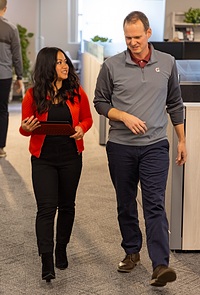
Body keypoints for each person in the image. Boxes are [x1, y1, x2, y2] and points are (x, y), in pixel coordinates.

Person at [94, 11, 187, 287]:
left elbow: (175, 103)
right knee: (125, 201)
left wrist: (182, 139)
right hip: (120, 147)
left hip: (155, 146)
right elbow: (99, 102)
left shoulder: (168, 63)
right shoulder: (111, 66)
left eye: (137, 36)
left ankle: (160, 265)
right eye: (127, 37)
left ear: (148, 33)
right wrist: (123, 116)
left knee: (154, 203)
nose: (132, 42)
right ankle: (131, 251)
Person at [19, 47, 93, 282]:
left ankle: (61, 248)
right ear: (47, 66)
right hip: (44, 159)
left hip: (71, 156)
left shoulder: (76, 92)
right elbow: (23, 127)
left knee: (67, 205)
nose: (65, 66)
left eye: (66, 62)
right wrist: (26, 129)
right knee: (46, 208)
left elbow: (87, 118)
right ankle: (47, 261)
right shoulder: (33, 95)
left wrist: (82, 128)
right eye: (59, 62)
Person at [0, 0, 23, 157]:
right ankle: (0, 147)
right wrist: (20, 76)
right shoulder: (11, 28)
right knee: (2, 110)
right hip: (4, 75)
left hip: (4, 74)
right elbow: (17, 55)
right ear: (5, 9)